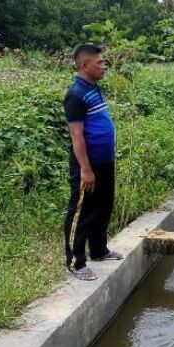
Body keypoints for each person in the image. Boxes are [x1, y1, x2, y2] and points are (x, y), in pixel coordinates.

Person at [63, 44, 122, 281]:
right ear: (85, 65)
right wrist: (85, 170)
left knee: (103, 206)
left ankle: (98, 250)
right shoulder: (75, 94)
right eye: (99, 62)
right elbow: (76, 136)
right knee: (82, 211)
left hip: (104, 161)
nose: (104, 65)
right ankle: (76, 262)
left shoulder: (93, 89)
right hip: (87, 165)